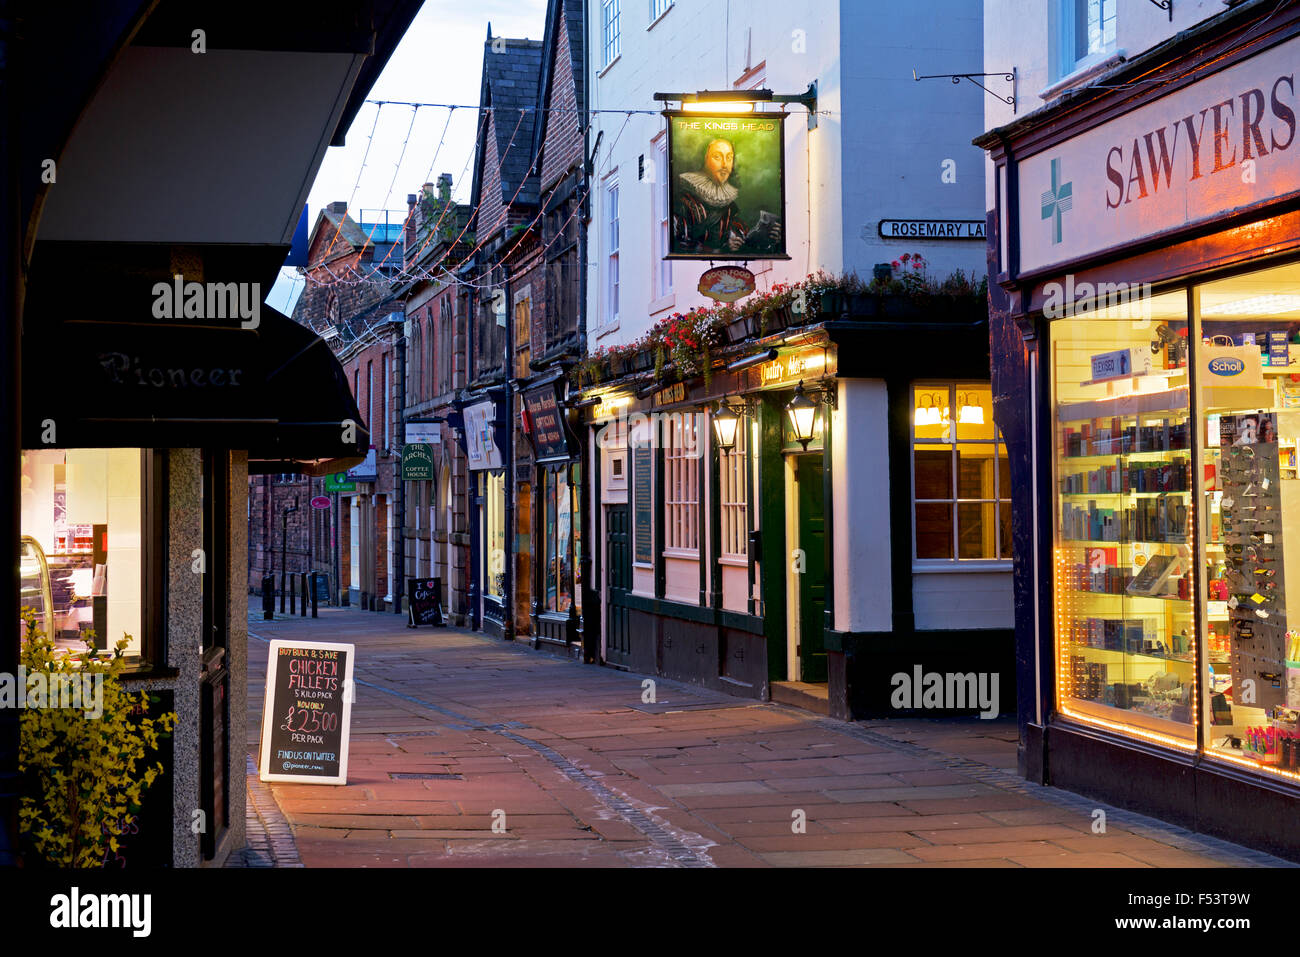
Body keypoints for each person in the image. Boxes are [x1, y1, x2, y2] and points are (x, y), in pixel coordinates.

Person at [672, 138, 781, 255]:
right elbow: (680, 246)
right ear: (704, 159)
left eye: (729, 158)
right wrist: (721, 250)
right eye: (717, 157)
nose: (724, 164)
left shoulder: (732, 206)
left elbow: (745, 243)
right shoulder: (683, 201)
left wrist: (771, 240)